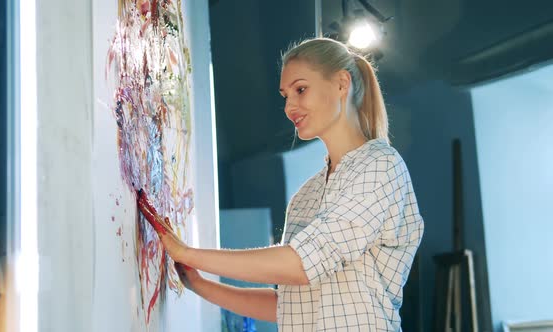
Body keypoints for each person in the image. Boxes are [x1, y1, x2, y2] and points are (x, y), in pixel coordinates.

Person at [138, 37, 424, 331]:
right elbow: (288, 304)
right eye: (285, 95)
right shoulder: (306, 196)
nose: (290, 107)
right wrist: (199, 284)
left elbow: (300, 264)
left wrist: (189, 253)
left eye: (301, 90)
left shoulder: (381, 165)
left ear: (341, 84)